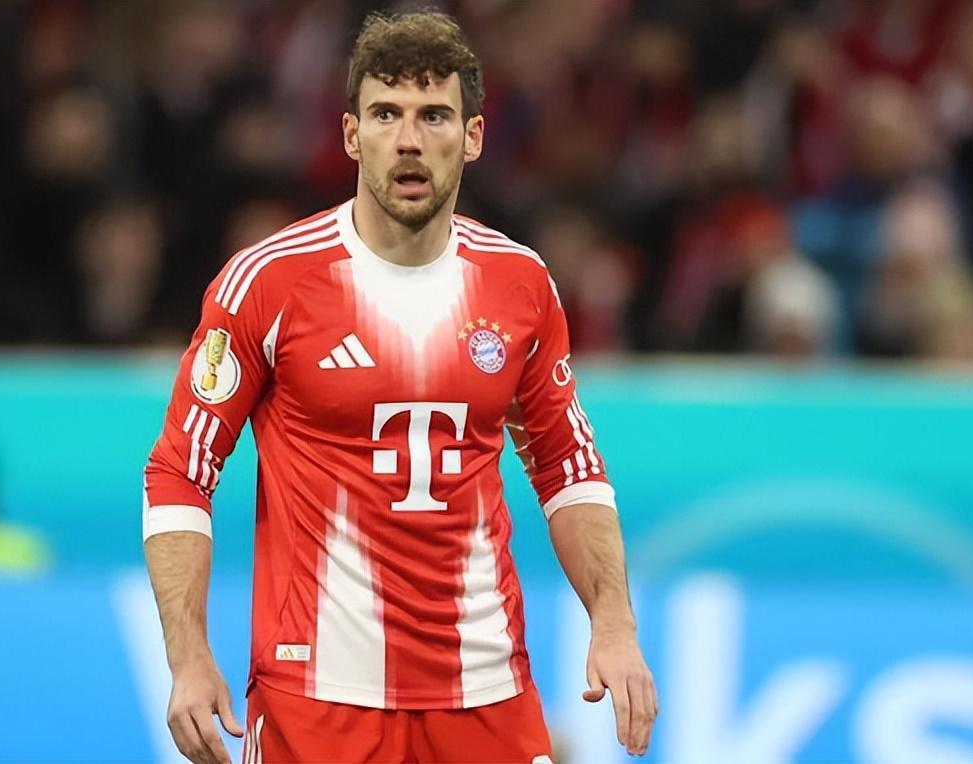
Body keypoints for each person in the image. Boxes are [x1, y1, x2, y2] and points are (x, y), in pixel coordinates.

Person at [143, 11, 657, 763]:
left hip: (487, 691)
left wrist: (613, 624)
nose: (408, 139)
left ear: (472, 137)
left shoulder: (520, 283)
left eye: (433, 116)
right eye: (386, 114)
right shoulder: (268, 283)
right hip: (315, 699)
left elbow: (567, 467)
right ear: (352, 135)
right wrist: (188, 658)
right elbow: (179, 472)